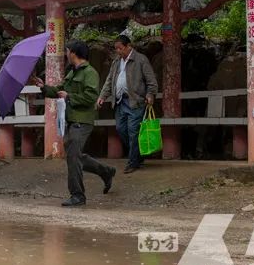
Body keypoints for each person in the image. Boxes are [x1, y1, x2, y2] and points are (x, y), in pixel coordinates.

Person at [32, 41, 116, 207]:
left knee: (72, 156)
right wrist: (43, 87)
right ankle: (106, 171)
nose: (66, 54)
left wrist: (69, 96)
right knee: (74, 155)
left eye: (67, 51)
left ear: (74, 53)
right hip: (71, 120)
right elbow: (59, 90)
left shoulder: (90, 73)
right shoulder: (72, 72)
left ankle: (78, 195)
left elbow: (91, 97)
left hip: (82, 120)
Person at [98, 34, 159, 174]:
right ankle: (137, 156)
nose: (118, 51)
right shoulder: (116, 62)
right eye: (116, 49)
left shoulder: (140, 60)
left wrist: (150, 94)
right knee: (120, 129)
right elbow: (109, 81)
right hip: (119, 101)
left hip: (135, 101)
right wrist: (102, 96)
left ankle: (132, 163)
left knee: (133, 132)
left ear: (128, 46)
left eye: (120, 48)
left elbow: (152, 81)